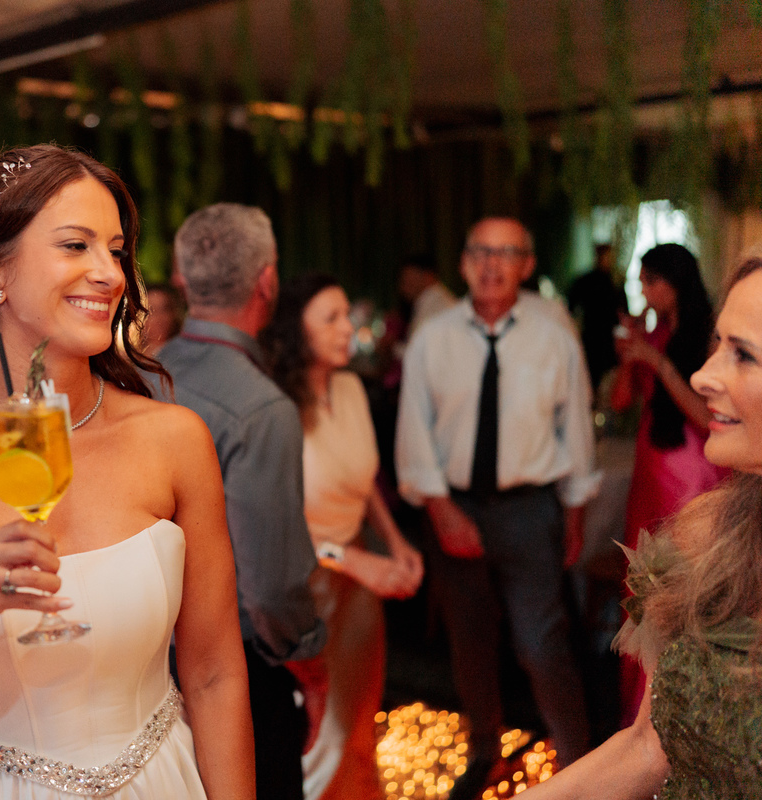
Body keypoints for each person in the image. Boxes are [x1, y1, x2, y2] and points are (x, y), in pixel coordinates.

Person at [0, 145, 253, 799]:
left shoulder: (174, 440)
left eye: (116, 250)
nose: (110, 274)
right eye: (76, 246)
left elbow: (213, 675)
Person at [521, 255, 762, 798]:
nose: (707, 374)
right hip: (658, 473)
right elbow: (645, 747)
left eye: (743, 354)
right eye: (717, 345)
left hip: (684, 467)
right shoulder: (705, 538)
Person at [395, 218, 599, 800]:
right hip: (454, 506)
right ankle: (484, 749)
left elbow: (576, 431)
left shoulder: (553, 335)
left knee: (541, 642)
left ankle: (577, 761)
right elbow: (415, 432)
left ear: (527, 266)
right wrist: (440, 509)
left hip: (531, 510)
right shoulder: (433, 338)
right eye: (481, 251)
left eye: (507, 253)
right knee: (470, 642)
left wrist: (575, 517)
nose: (492, 264)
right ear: (462, 263)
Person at [154, 202, 326, 800]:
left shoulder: (139, 376)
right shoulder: (261, 409)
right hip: (234, 666)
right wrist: (306, 658)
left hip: (144, 656)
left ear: (182, 278)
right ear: (267, 281)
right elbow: (271, 590)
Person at [262, 273, 423, 800]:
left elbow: (363, 480)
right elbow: (270, 517)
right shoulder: (276, 405)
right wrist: (352, 560)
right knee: (322, 732)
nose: (346, 327)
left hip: (359, 585)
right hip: (303, 585)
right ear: (294, 330)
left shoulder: (352, 387)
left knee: (359, 721)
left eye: (346, 315)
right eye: (329, 318)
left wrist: (395, 542)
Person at [607, 243, 727, 725]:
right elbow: (620, 402)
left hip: (690, 476)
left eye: (649, 280)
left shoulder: (707, 341)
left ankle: (678, 717)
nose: (642, 289)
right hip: (649, 472)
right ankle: (637, 714)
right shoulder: (651, 335)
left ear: (673, 282)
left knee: (680, 588)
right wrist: (630, 358)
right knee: (642, 589)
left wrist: (658, 364)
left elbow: (704, 418)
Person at [568, 244, 626, 392]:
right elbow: (570, 307)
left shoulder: (615, 282)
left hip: (608, 341)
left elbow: (623, 314)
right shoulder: (587, 280)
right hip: (591, 340)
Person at [397, 254, 456, 342]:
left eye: (408, 279)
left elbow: (420, 349)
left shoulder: (435, 303)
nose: (403, 286)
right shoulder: (436, 299)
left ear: (428, 276)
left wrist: (392, 348)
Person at [142, 282, 185, 355]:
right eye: (151, 312)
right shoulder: (129, 357)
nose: (159, 318)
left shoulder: (185, 352)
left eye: (164, 309)